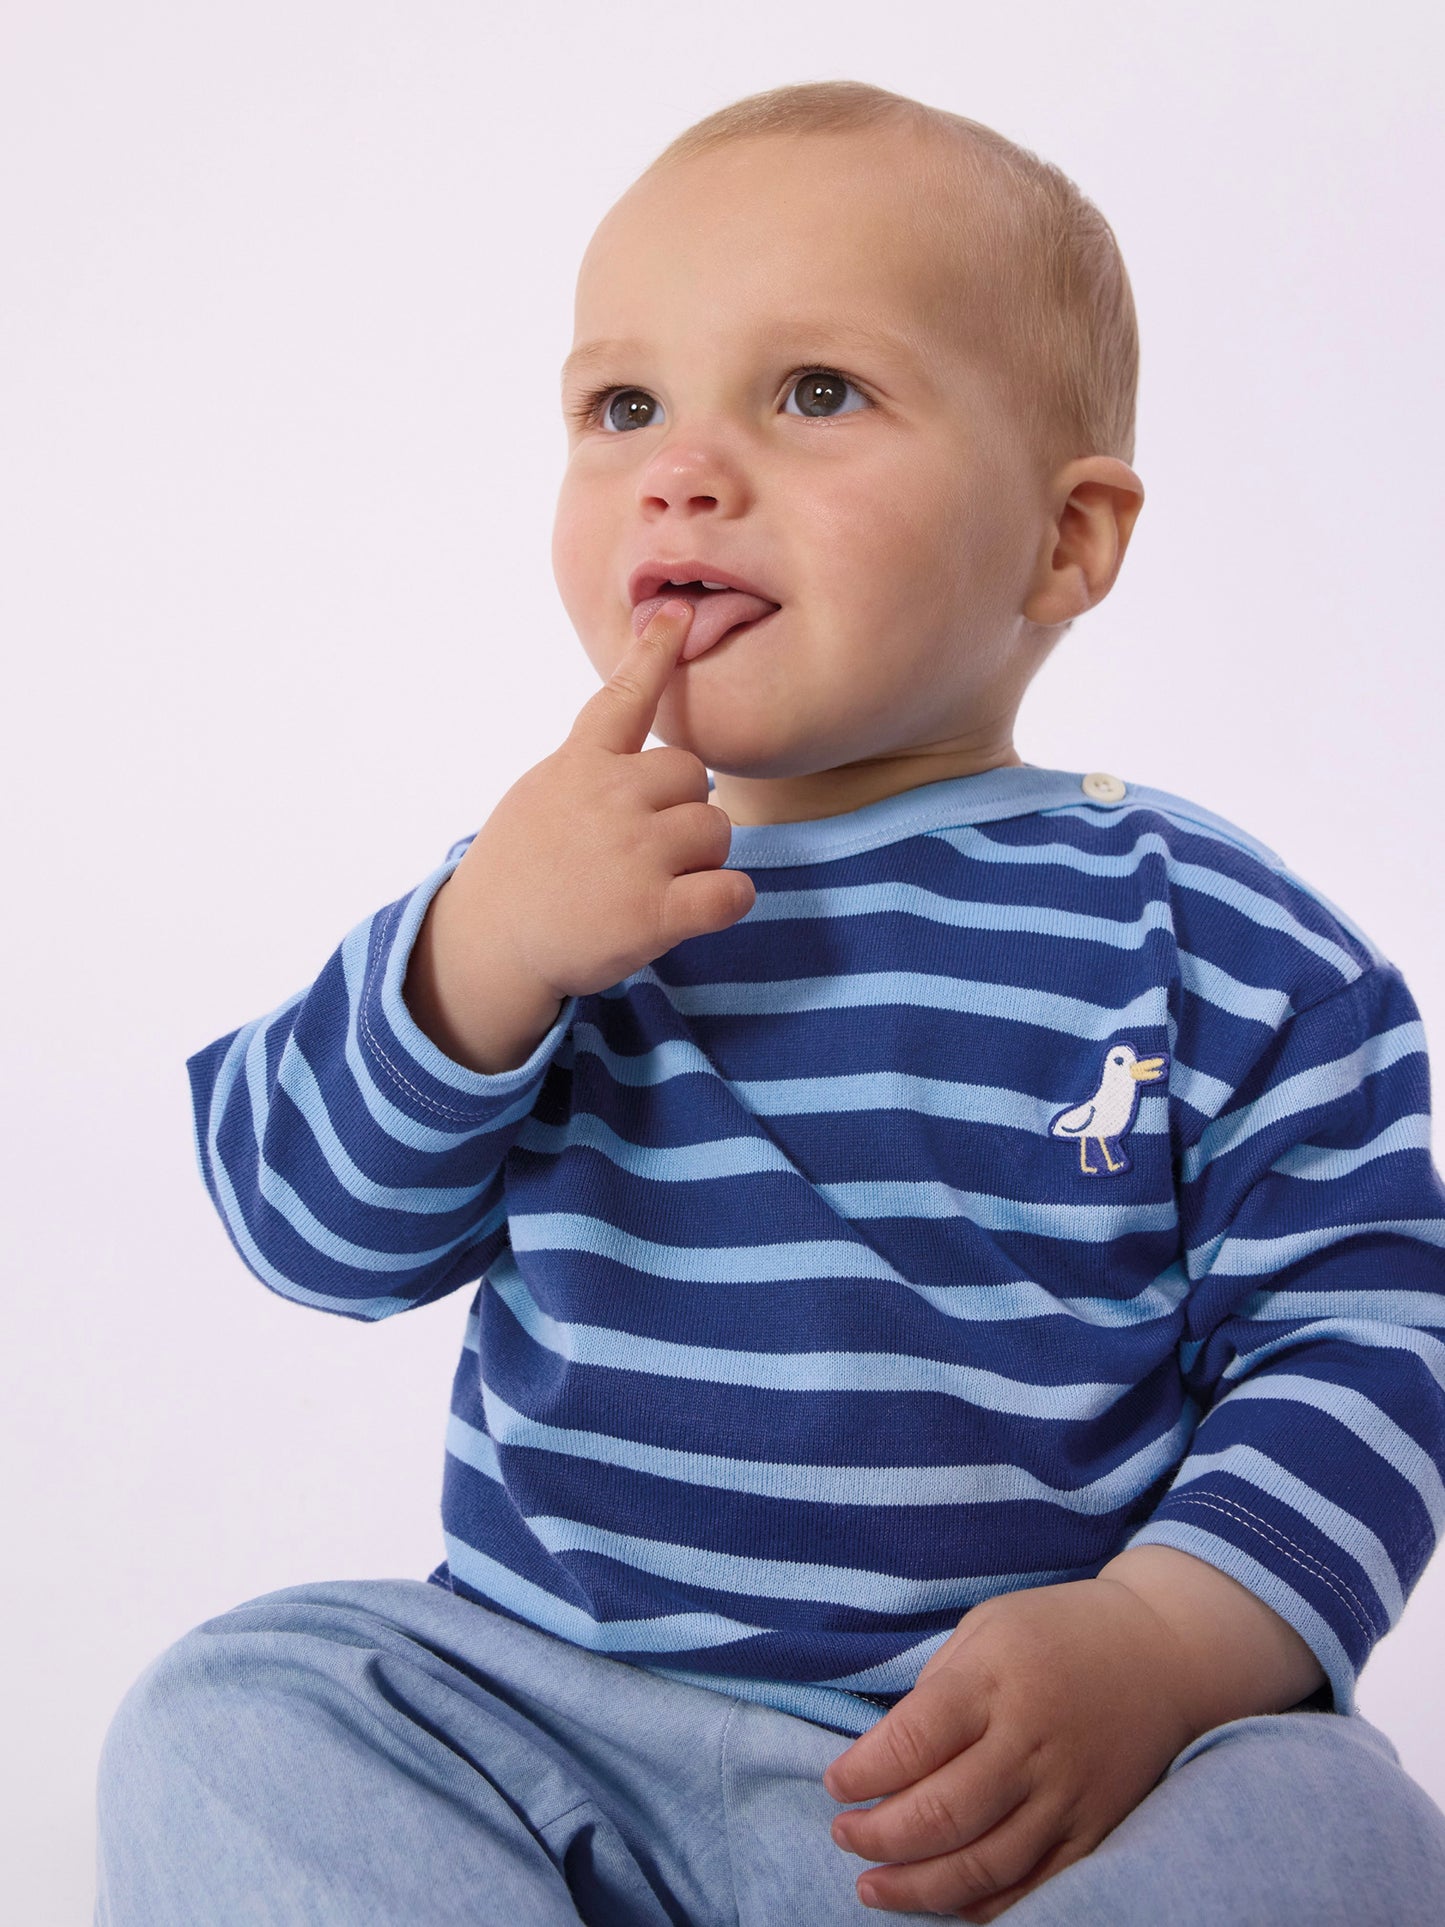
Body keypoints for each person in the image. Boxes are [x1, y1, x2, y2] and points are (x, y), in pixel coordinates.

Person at [95, 78, 1445, 1925]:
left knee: (1330, 1817)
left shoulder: (1222, 938)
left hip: (1012, 1805)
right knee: (238, 1709)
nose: (680, 466)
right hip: (557, 1741)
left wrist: (1162, 1647)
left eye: (814, 394)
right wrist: (478, 956)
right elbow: (303, 1231)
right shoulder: (545, 891)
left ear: (1065, 542)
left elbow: (1366, 1348)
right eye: (620, 405)